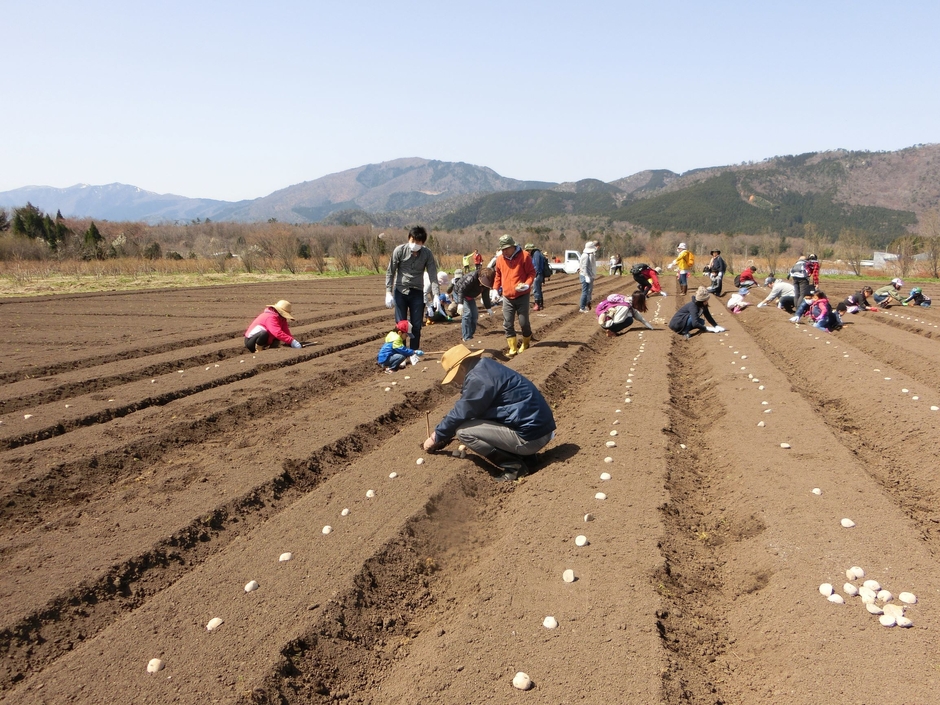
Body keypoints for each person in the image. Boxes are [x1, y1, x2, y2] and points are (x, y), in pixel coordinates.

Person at [422, 344, 556, 481]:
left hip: (531, 438)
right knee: (474, 421)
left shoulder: (477, 379)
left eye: (454, 377)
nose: (456, 382)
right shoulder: (486, 367)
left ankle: (515, 467)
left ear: (461, 368)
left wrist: (436, 436)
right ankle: (527, 458)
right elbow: (470, 410)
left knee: (464, 432)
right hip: (540, 429)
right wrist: (445, 434)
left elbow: (462, 412)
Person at [385, 225, 440, 351]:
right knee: (401, 325)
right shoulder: (399, 251)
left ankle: (414, 351)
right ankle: (402, 352)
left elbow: (433, 275)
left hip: (417, 292)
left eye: (418, 242)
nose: (415, 244)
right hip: (401, 291)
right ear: (409, 238)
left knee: (416, 324)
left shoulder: (427, 254)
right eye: (412, 241)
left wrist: (436, 294)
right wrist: (388, 291)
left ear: (423, 242)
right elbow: (390, 271)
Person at [492, 234, 536, 356]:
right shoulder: (500, 259)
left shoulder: (524, 256)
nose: (504, 251)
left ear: (513, 246)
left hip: (522, 295)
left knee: (523, 322)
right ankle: (512, 348)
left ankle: (526, 343)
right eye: (502, 249)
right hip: (507, 296)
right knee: (507, 323)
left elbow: (532, 273)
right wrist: (495, 289)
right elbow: (498, 275)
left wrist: (527, 284)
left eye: (506, 249)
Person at [453, 266, 495, 342]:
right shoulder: (471, 278)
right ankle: (466, 337)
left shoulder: (486, 284)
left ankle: (470, 335)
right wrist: (460, 303)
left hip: (469, 296)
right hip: (460, 294)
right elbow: (461, 290)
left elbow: (485, 296)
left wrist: (488, 307)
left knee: (475, 315)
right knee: (467, 313)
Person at [524, 243, 548, 311]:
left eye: (527, 250)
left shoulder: (536, 254)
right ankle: (540, 304)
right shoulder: (538, 253)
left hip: (538, 274)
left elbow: (537, 265)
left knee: (536, 289)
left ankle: (537, 305)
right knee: (538, 289)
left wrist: (535, 275)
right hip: (540, 274)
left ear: (530, 249)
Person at [578, 241, 598, 312]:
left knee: (586, 291)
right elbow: (584, 267)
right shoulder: (585, 256)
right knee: (585, 292)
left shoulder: (587, 255)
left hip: (586, 274)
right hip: (585, 275)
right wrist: (586, 276)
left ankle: (584, 306)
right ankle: (582, 308)